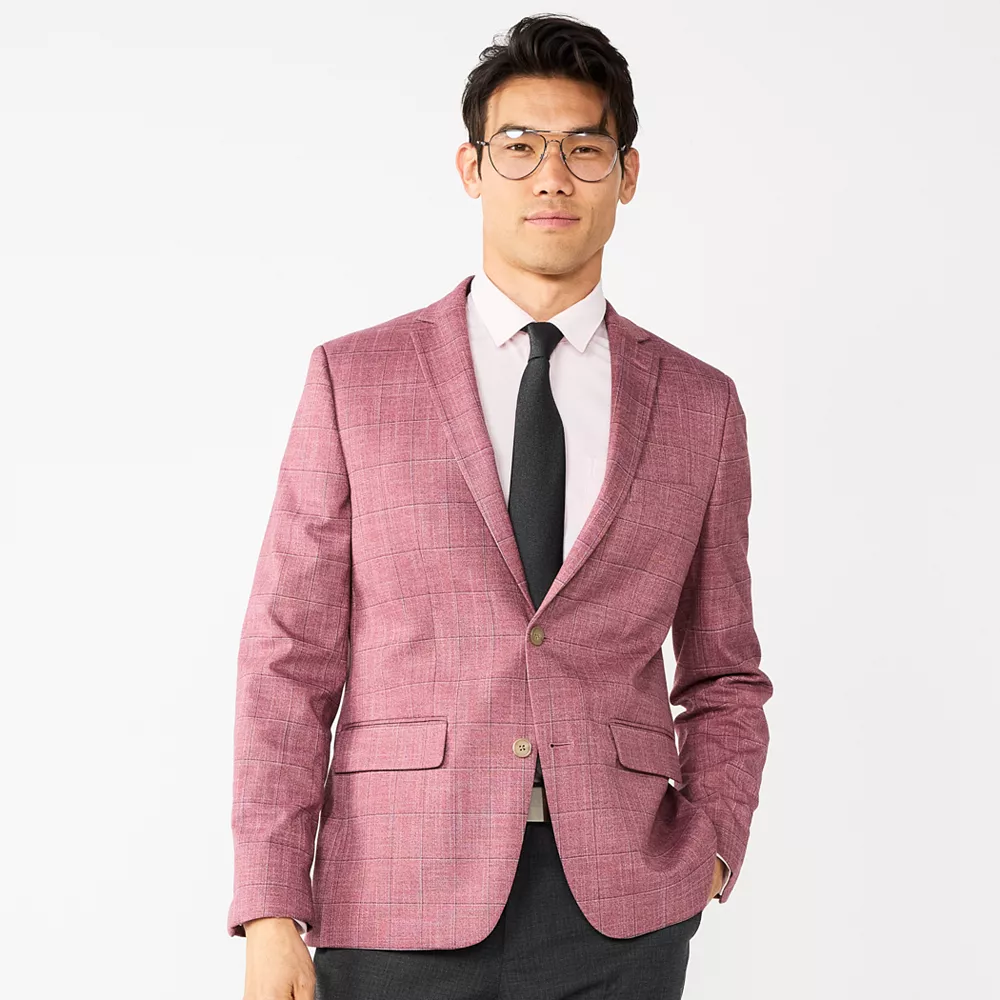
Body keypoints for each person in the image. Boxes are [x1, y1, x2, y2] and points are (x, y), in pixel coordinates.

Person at [228, 13, 772, 1000]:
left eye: (583, 149)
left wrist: (711, 849)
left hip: (622, 910)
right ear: (472, 168)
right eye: (519, 146)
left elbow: (725, 670)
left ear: (626, 174)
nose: (551, 177)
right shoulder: (356, 379)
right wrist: (270, 908)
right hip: (395, 894)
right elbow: (287, 656)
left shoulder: (701, 405)